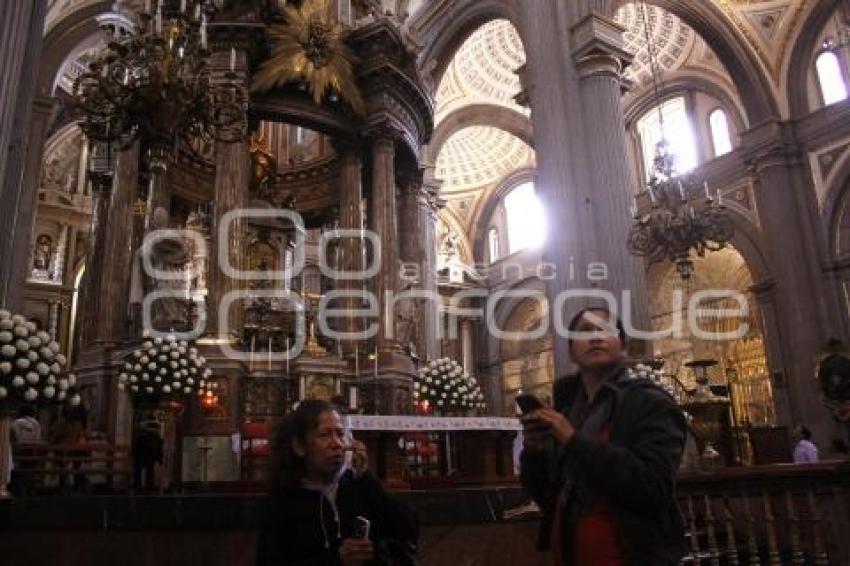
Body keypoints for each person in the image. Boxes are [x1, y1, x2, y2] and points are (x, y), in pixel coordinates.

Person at [520, 307, 687, 565]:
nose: (595, 337)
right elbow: (549, 495)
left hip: (633, 555)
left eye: (605, 329)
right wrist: (534, 454)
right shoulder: (566, 410)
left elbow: (653, 487)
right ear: (571, 351)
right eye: (585, 331)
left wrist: (573, 440)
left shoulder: (650, 403)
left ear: (623, 345)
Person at [256, 400, 418, 565]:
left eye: (340, 434)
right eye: (325, 435)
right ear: (299, 446)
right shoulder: (282, 500)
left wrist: (365, 477)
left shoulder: (358, 486)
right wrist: (336, 560)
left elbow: (407, 529)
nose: (337, 444)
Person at [133, 419, 163, 493]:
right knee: (149, 469)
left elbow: (137, 448)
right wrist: (159, 458)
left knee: (140, 468)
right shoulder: (156, 437)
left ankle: (139, 486)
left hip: (143, 456)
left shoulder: (142, 436)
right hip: (150, 456)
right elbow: (159, 449)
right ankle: (148, 486)